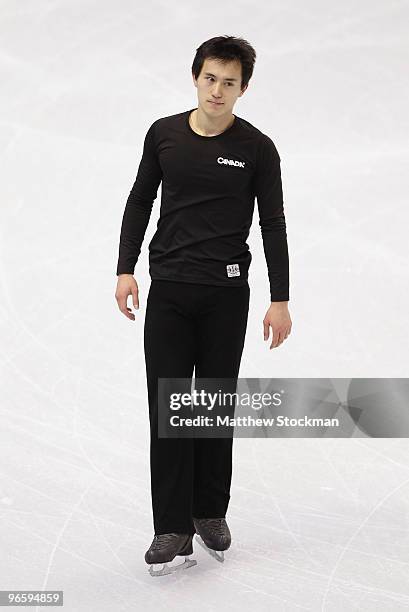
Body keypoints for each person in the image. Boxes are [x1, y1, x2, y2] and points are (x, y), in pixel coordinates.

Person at [115, 35, 292, 576]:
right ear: (196, 77)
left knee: (213, 405)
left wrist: (279, 298)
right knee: (168, 408)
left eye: (230, 82)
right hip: (169, 289)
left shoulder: (258, 148)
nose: (218, 90)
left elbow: (273, 224)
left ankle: (209, 510)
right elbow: (140, 198)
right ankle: (170, 527)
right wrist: (125, 267)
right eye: (210, 78)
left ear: (244, 88)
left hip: (225, 294)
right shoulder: (164, 134)